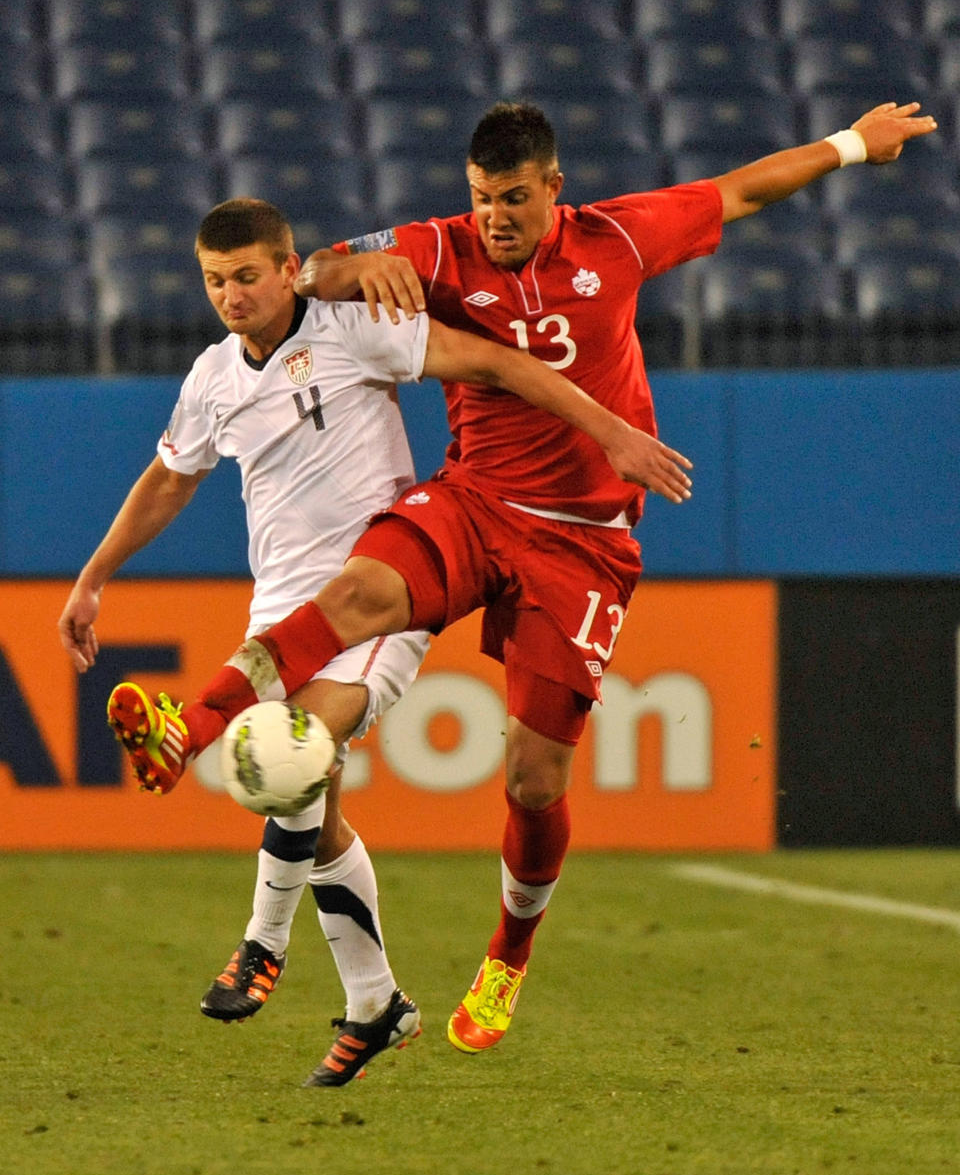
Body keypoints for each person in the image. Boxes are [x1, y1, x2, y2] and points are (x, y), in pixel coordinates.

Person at [103, 99, 937, 1057]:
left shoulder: (618, 238)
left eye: (510, 199)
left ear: (553, 190)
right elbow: (312, 266)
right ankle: (190, 729)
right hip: (474, 500)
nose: (492, 217)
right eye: (478, 199)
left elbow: (741, 189)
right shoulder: (439, 247)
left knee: (535, 781)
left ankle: (506, 955)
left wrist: (847, 146)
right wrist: (354, 263)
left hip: (580, 542)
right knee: (352, 597)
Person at [61, 195, 692, 1083]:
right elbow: (169, 479)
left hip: (385, 578)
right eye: (214, 281)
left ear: (289, 268)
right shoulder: (211, 377)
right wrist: (93, 577)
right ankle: (377, 1002)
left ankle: (259, 938)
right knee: (313, 808)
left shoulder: (356, 327)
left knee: (298, 753)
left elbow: (495, 362)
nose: (231, 295)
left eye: (247, 275)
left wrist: (611, 429)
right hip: (280, 605)